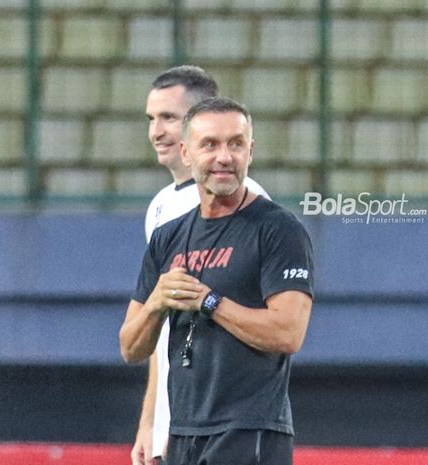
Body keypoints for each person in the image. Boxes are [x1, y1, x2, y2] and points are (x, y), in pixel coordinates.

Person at [120, 97, 313, 465]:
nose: (224, 156)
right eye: (210, 144)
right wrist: (157, 304)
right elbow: (130, 347)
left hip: (250, 430)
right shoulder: (168, 236)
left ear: (250, 152)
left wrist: (211, 302)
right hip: (182, 432)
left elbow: (289, 333)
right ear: (186, 153)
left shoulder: (278, 230)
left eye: (236, 144)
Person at [134, 66, 270, 465]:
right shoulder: (161, 207)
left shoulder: (247, 206)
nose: (156, 131)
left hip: (226, 424)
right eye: (151, 119)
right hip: (175, 426)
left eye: (169, 118)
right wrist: (150, 421)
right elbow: (164, 329)